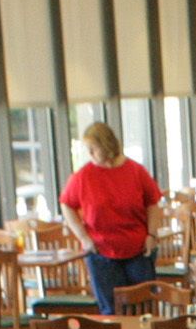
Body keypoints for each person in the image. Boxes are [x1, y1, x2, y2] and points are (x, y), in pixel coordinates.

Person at [61, 122, 162, 312]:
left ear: (107, 145)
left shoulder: (136, 171)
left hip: (138, 249)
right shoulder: (83, 177)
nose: (90, 154)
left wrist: (152, 234)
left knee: (144, 307)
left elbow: (153, 203)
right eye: (87, 149)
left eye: (93, 148)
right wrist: (83, 237)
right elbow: (66, 204)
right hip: (101, 251)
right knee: (110, 310)